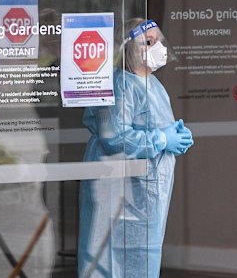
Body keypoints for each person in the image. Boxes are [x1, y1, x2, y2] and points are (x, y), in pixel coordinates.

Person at [77, 18, 194, 278]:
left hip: (147, 192)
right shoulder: (121, 85)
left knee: (142, 257)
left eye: (158, 40)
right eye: (148, 42)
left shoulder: (153, 85)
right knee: (115, 258)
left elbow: (152, 126)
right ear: (128, 48)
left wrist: (175, 137)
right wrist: (161, 140)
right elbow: (115, 138)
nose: (158, 46)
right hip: (124, 190)